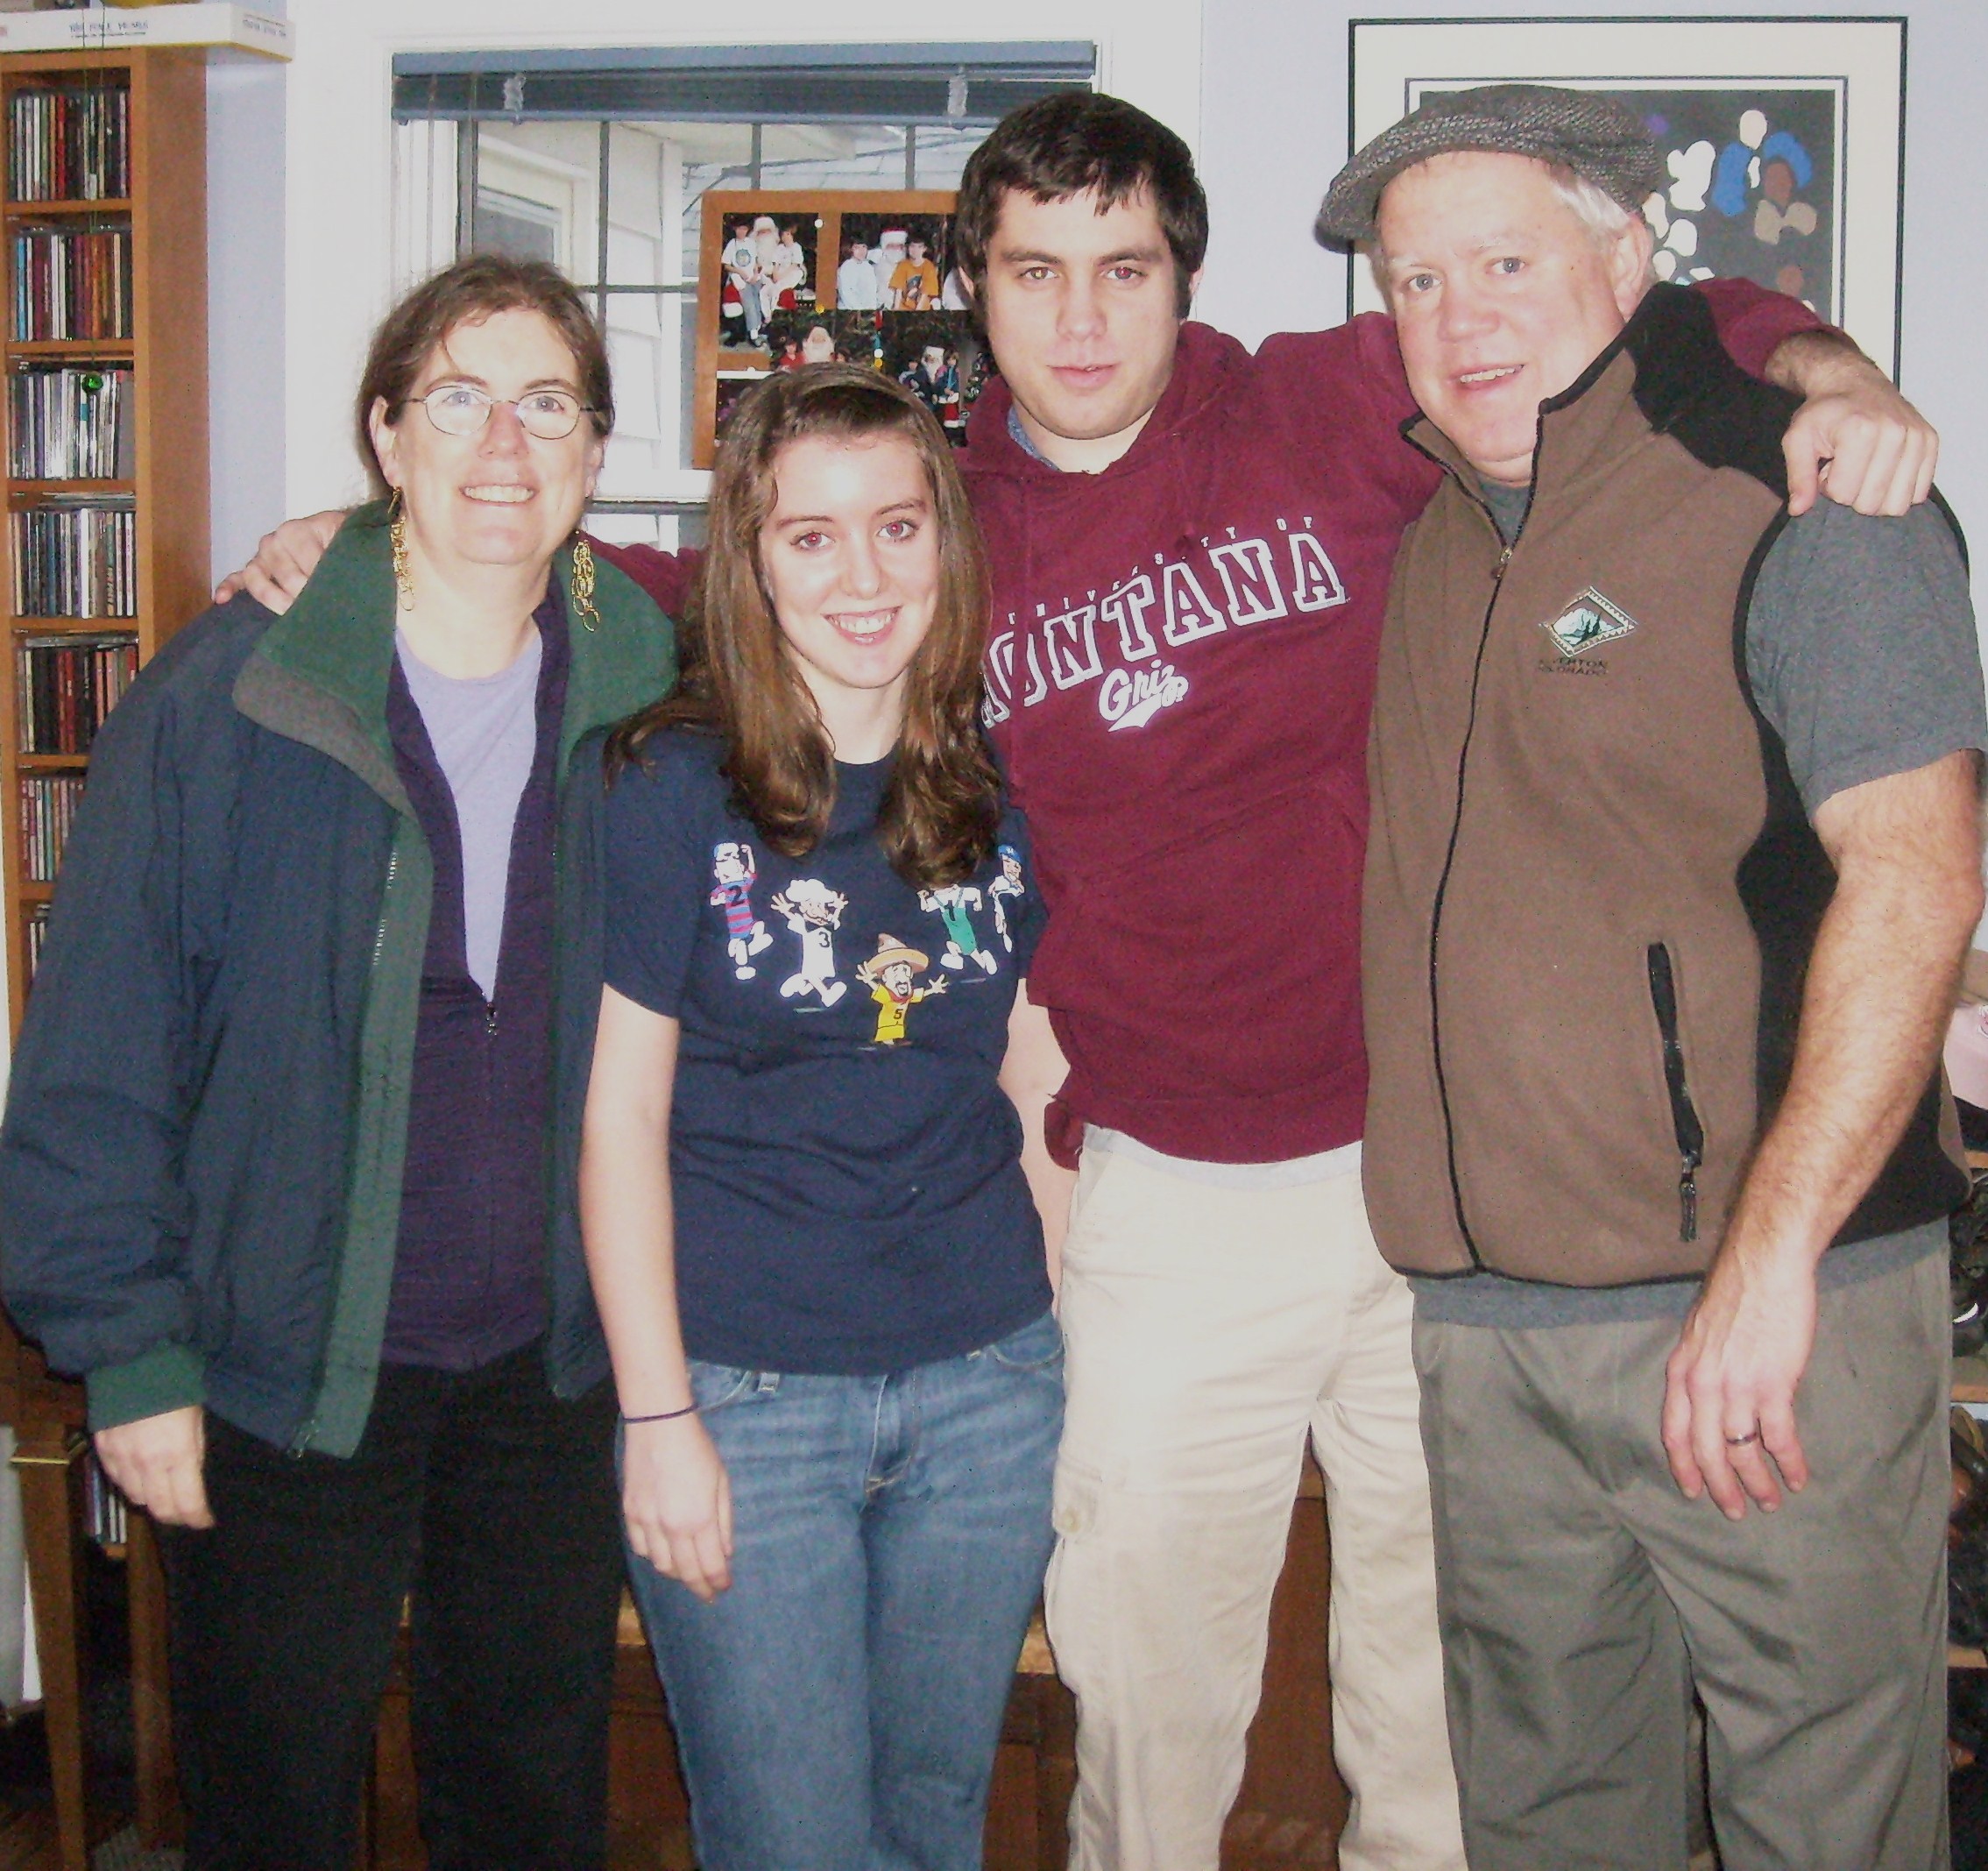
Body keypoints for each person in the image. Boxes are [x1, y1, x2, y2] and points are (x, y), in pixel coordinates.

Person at [215, 91, 1938, 1871]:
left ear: (1185, 277)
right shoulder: (936, 525)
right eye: (1035, 272)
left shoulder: (1330, 403)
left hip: (1423, 1189)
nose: (1084, 314)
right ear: (975, 290)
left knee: (1439, 1727)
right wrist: (378, 541)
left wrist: (1828, 372)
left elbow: (1636, 324)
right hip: (1164, 1197)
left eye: (1124, 266)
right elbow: (688, 576)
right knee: (1147, 1719)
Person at [1319, 84, 1985, 1871]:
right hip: (1488, 1334)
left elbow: (1918, 882)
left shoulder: (1806, 493)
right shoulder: (1436, 537)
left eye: (1504, 262)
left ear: (1627, 259)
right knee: (1543, 1824)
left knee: (1823, 1822)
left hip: (1764, 1321)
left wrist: (1768, 1273)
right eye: (1414, 280)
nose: (1457, 317)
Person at [0, 254, 677, 1871]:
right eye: (456, 397)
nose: (502, 443)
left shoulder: (654, 691)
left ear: (594, 451)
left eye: (547, 405)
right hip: (287, 1369)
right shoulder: (230, 693)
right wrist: (130, 1354)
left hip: (549, 1378)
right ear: (384, 433)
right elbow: (98, 1047)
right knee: (273, 1812)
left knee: (529, 1812)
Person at [580, 364, 1064, 1870]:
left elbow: (1024, 1062)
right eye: (810, 535)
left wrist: (1058, 1340)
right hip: (746, 1394)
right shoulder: (669, 783)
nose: (863, 575)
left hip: (987, 1386)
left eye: (897, 526)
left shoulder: (995, 777)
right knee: (788, 1840)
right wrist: (658, 1416)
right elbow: (617, 1118)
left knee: (932, 1826)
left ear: (945, 544)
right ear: (751, 559)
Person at [889, 234, 941, 310]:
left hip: (922, 307)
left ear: (924, 249)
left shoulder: (929, 267)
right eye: (912, 246)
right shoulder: (903, 265)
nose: (915, 250)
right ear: (908, 247)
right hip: (904, 306)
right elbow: (898, 290)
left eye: (919, 247)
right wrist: (896, 308)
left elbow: (925, 293)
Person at [837, 236, 881, 311]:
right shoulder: (847, 267)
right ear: (850, 249)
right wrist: (859, 309)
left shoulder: (867, 266)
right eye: (857, 247)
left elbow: (872, 290)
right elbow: (847, 293)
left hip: (868, 308)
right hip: (850, 309)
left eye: (864, 247)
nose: (861, 251)